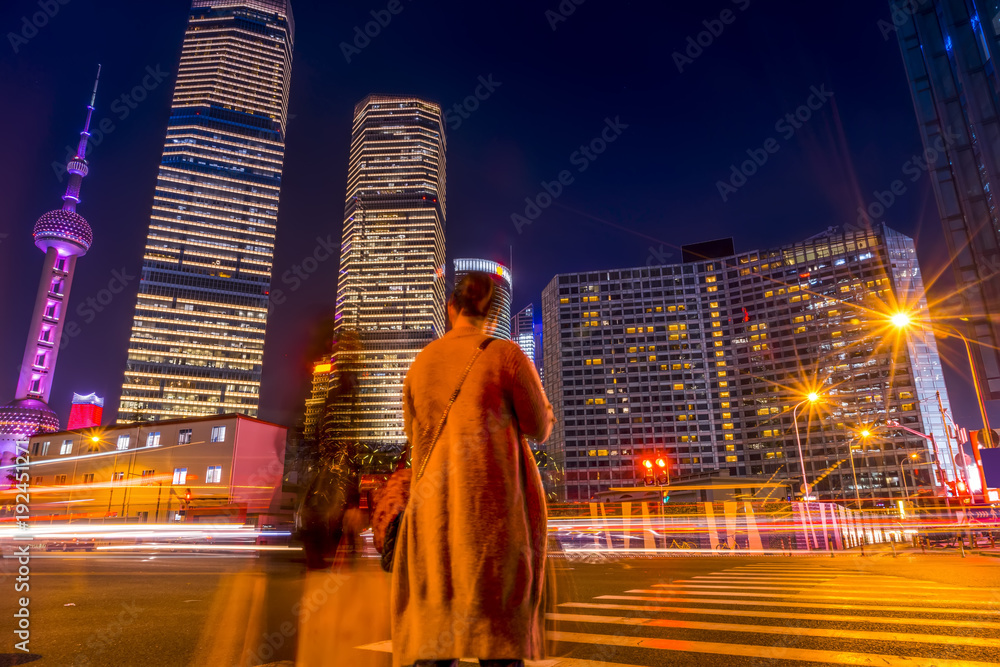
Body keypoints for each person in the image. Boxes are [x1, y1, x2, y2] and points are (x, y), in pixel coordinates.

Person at [391, 272, 555, 667]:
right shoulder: (507, 355)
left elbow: (415, 439)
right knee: (497, 642)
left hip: (433, 523)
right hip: (492, 524)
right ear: (495, 314)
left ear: (451, 308)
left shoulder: (420, 365)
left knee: (434, 640)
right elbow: (539, 426)